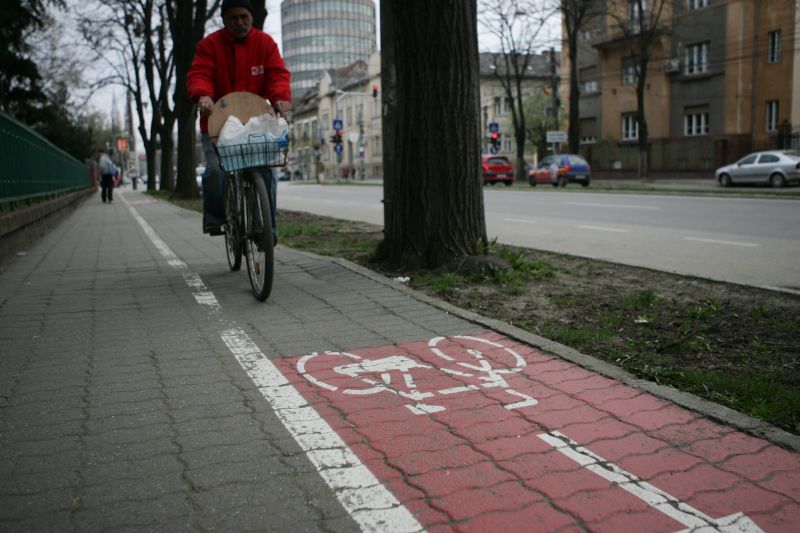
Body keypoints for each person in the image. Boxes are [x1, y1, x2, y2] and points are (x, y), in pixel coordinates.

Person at [187, 0, 292, 237]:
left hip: (255, 123)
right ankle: (215, 218)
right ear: (224, 20)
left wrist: (279, 98)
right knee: (215, 170)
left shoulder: (264, 44)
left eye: (244, 16)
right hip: (218, 123)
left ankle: (265, 229)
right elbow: (200, 73)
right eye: (233, 18)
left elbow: (277, 75)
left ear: (251, 17)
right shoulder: (210, 45)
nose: (239, 22)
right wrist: (203, 95)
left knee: (267, 172)